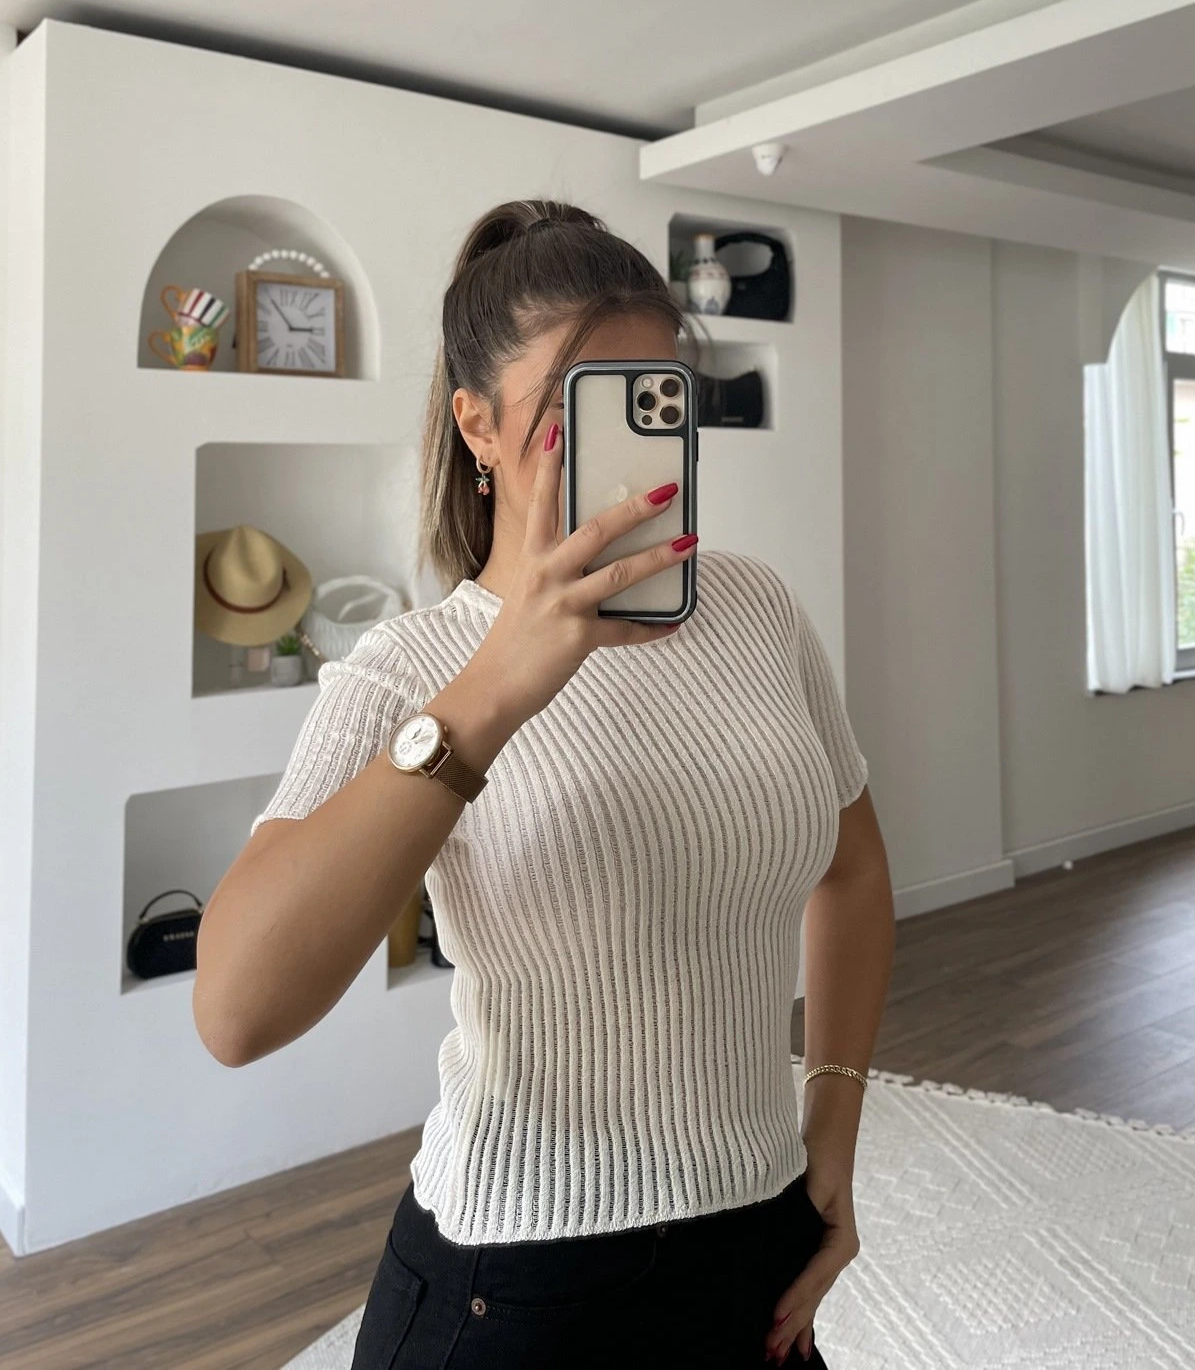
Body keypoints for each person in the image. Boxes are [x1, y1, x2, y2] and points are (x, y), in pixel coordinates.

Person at [194, 198, 895, 1369]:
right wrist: (490, 692)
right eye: (580, 409)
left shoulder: (759, 610)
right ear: (476, 424)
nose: (630, 450)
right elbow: (236, 1010)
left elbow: (855, 868)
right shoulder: (410, 669)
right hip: (518, 1285)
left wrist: (834, 1117)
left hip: (759, 1248)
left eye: (657, 400)